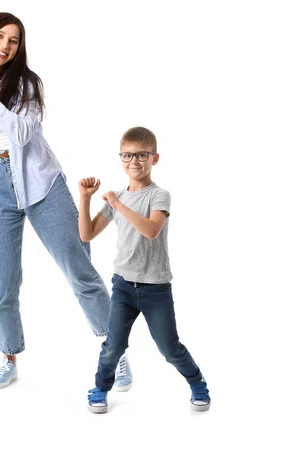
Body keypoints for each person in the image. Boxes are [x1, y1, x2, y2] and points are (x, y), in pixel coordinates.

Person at [0, 12, 131, 389]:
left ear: (20, 48)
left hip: (40, 184)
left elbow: (20, 134)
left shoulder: (27, 85)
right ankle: (8, 357)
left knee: (78, 268)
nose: (4, 45)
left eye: (13, 40)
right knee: (2, 282)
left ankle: (115, 352)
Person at [78, 126, 210, 413]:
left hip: (155, 288)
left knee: (169, 348)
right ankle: (100, 389)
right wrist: (86, 197)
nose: (134, 162)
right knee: (113, 346)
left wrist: (115, 203)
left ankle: (197, 383)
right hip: (123, 285)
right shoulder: (118, 197)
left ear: (155, 158)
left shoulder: (159, 195)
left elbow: (151, 230)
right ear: (121, 158)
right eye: (127, 155)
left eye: (141, 155)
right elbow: (86, 235)